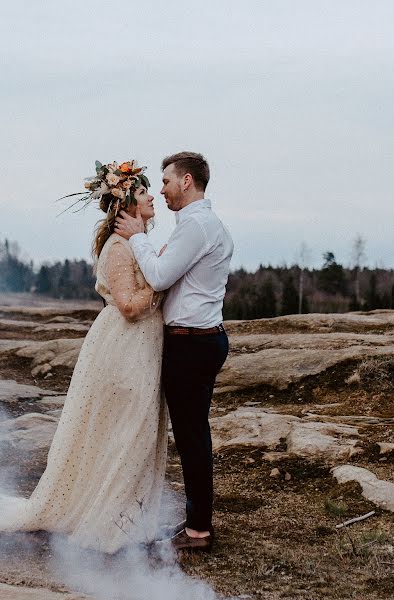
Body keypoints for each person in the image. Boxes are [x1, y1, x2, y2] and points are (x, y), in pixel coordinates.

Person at [0, 160, 169, 554]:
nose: (153, 197)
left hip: (144, 348)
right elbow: (130, 307)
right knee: (126, 433)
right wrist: (164, 284)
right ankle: (108, 525)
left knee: (139, 433)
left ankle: (126, 518)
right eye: (145, 192)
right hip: (125, 350)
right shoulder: (118, 247)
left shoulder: (137, 243)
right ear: (128, 202)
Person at [114, 151, 233, 551]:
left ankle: (198, 530)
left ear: (186, 181)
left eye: (165, 181)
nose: (161, 190)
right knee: (192, 435)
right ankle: (196, 523)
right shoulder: (199, 225)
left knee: (192, 437)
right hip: (198, 339)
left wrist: (137, 239)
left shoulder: (197, 226)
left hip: (193, 343)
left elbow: (161, 274)